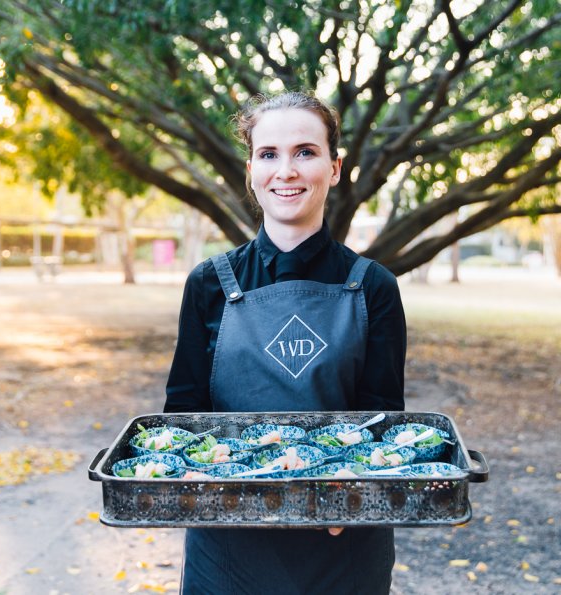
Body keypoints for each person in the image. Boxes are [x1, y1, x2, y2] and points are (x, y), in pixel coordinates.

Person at [164, 91, 407, 595]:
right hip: (228, 541)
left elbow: (382, 417)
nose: (286, 170)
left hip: (343, 540)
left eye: (305, 152)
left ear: (335, 168)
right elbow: (183, 416)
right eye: (269, 154)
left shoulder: (375, 286)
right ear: (251, 168)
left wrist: (351, 499)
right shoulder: (209, 283)